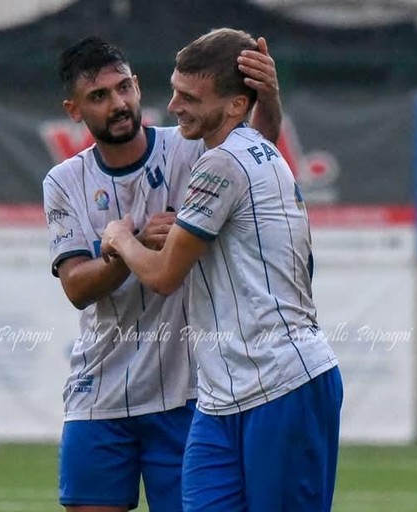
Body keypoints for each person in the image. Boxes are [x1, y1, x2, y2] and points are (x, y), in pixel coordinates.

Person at [100, 28, 343, 512]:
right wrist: (268, 95)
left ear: (234, 106)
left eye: (189, 96)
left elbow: (165, 277)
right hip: (222, 395)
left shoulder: (223, 164)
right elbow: (261, 132)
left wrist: (121, 239)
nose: (173, 106)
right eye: (173, 90)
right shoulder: (254, 148)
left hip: (282, 384)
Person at [42, 35, 281, 512]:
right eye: (100, 96)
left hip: (186, 391)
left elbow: (260, 145)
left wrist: (269, 96)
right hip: (99, 389)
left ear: (137, 85)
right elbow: (75, 287)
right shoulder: (64, 181)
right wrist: (123, 251)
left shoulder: (189, 148)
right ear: (74, 110)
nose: (119, 103)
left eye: (124, 87)